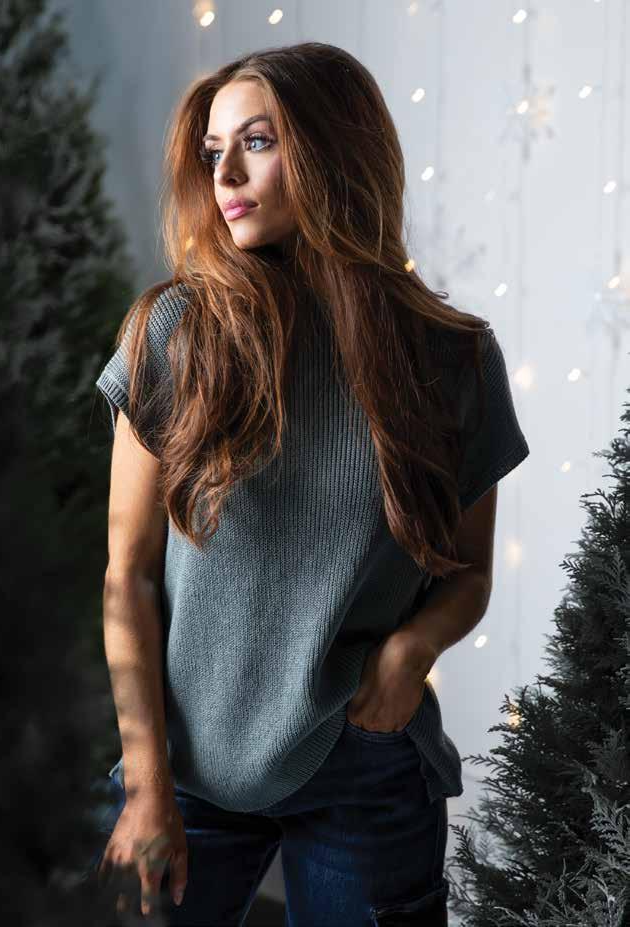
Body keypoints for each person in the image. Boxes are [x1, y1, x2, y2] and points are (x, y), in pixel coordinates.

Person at [89, 41, 530, 926]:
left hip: (363, 758)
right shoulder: (172, 332)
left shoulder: (453, 358)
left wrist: (410, 653)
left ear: (335, 152)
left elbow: (469, 573)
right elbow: (127, 576)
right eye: (214, 151)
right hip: (184, 766)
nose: (225, 174)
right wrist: (145, 781)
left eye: (257, 142)